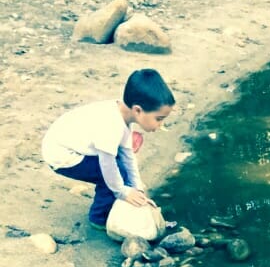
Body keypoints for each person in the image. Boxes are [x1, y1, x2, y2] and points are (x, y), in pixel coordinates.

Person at [42, 68, 175, 230]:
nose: (161, 125)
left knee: (122, 169)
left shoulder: (124, 116)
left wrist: (137, 188)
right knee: (113, 174)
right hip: (61, 154)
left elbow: (128, 156)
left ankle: (116, 201)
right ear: (138, 110)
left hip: (71, 145)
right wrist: (122, 192)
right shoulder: (112, 125)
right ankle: (99, 218)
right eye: (159, 119)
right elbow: (108, 165)